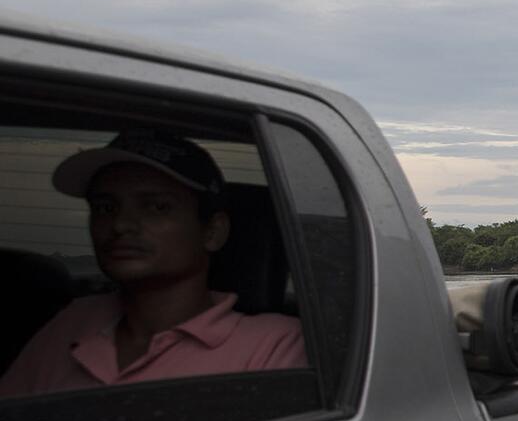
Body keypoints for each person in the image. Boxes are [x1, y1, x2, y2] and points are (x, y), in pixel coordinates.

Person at [0, 129, 306, 397]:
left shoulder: (274, 346)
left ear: (213, 232)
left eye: (157, 207)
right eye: (105, 207)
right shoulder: (73, 322)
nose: (121, 224)